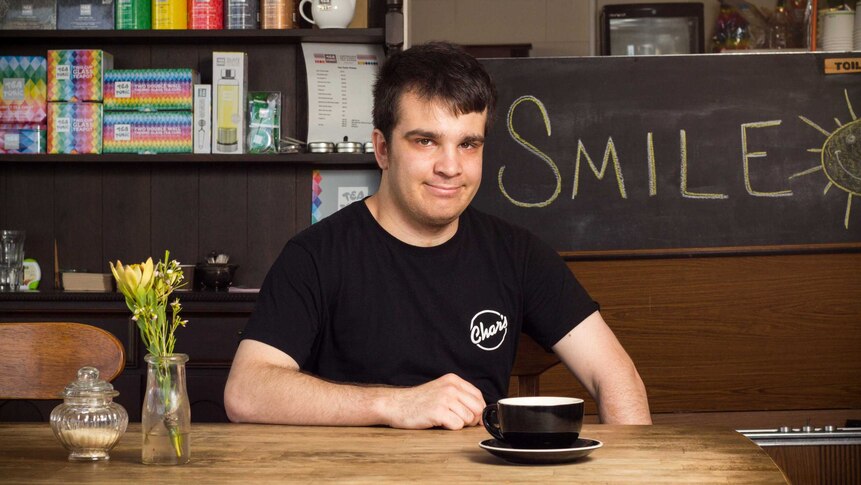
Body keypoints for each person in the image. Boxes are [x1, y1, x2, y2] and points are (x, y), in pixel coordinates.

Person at [224, 42, 651, 429]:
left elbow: (614, 374)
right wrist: (393, 405)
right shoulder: (316, 255)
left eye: (468, 144)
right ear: (383, 149)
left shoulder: (518, 254)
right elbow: (246, 392)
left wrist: (633, 470)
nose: (451, 167)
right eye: (426, 141)